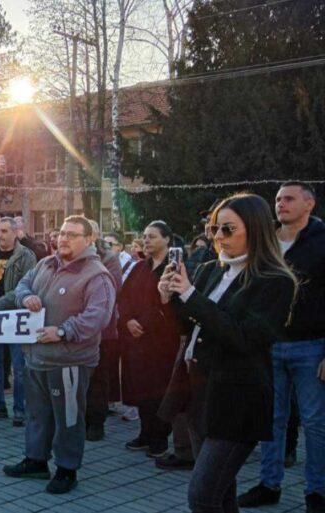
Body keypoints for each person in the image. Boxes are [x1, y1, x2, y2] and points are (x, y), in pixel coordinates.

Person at [158, 193, 296, 513]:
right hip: (199, 391)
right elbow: (189, 328)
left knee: (202, 495)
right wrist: (167, 299)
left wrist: (190, 295)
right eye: (214, 229)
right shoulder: (210, 269)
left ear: (256, 229)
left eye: (228, 229)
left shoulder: (274, 280)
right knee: (221, 494)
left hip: (238, 399)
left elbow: (244, 338)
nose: (218, 237)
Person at [4, 215, 116, 495]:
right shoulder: (45, 263)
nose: (64, 239)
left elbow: (98, 317)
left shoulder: (96, 274)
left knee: (68, 418)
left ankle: (67, 469)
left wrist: (63, 332)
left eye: (73, 235)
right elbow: (22, 285)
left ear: (89, 239)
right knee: (38, 414)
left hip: (69, 362)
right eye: (62, 233)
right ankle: (36, 461)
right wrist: (25, 297)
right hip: (37, 357)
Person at [239, 182, 325, 512]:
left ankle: (316, 492)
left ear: (309, 204)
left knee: (316, 424)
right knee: (270, 420)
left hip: (311, 346)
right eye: (277, 199)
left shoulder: (321, 243)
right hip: (269, 344)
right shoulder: (268, 242)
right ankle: (268, 484)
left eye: (288, 199)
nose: (280, 204)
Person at [117, 221, 180, 456]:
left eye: (152, 236)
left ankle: (160, 438)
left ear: (167, 239)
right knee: (141, 389)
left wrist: (143, 322)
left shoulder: (174, 268)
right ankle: (144, 433)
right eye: (145, 236)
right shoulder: (138, 268)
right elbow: (123, 297)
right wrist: (128, 320)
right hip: (136, 341)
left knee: (159, 390)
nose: (146, 240)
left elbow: (168, 304)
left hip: (161, 340)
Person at [0, 217, 36, 427]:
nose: (0, 235)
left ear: (15, 232)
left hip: (15, 318)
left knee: (19, 367)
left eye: (4, 231)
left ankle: (21, 409)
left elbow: (27, 285)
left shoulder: (26, 255)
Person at [84, 220, 123, 442]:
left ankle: (96, 423)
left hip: (103, 328)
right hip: (77, 327)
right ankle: (82, 419)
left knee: (99, 377)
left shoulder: (108, 259)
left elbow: (111, 290)